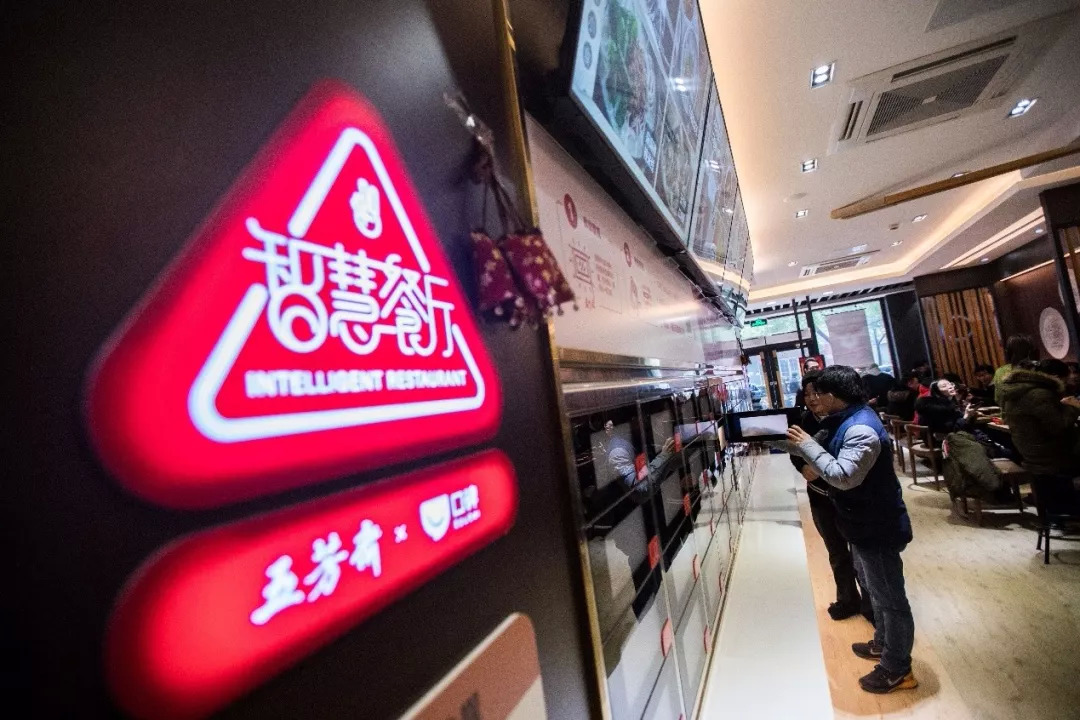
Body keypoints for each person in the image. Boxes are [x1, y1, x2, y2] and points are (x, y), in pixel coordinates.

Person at [783, 365, 916, 694]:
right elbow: (809, 451)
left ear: (832, 395)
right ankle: (883, 644)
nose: (814, 399)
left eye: (818, 393)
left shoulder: (860, 429)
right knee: (874, 588)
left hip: (876, 525)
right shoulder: (845, 419)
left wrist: (807, 445)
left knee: (890, 598)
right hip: (861, 522)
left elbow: (843, 476)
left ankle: (897, 668)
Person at [790, 371, 873, 623]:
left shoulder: (848, 421)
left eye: (817, 392)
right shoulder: (803, 420)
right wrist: (803, 467)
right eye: (807, 394)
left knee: (861, 554)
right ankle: (847, 600)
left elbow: (845, 465)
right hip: (820, 496)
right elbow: (795, 452)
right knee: (836, 551)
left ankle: (871, 606)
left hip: (849, 497)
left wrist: (816, 464)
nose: (812, 398)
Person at [994, 335, 1037, 405]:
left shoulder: (1000, 371)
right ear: (1031, 351)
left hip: (1009, 411)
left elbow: (998, 399)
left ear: (1007, 352)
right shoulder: (1039, 368)